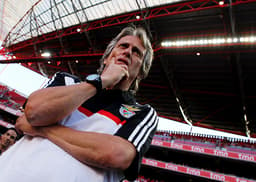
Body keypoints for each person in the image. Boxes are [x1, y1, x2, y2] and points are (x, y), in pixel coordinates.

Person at [0, 26, 159, 182]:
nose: (128, 52)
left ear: (140, 72)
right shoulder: (66, 81)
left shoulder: (142, 113)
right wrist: (101, 82)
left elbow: (116, 155)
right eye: (123, 46)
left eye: (136, 52)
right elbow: (34, 112)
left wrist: (43, 129)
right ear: (107, 58)